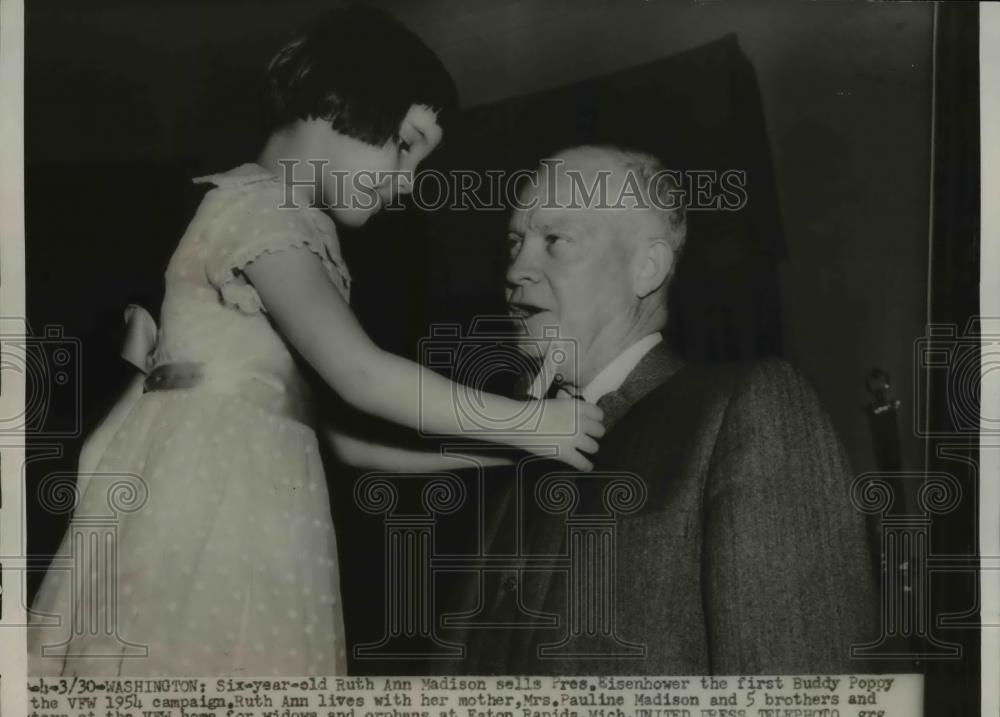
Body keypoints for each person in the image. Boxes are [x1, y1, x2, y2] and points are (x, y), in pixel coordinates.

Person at [27, 7, 603, 679]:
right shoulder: (263, 207)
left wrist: (506, 449)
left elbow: (343, 441)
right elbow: (360, 373)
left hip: (259, 505)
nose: (410, 180)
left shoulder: (290, 225)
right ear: (336, 104)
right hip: (210, 504)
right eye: (406, 144)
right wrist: (534, 422)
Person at [452, 144, 879, 675]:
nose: (516, 268)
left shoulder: (748, 410)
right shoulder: (515, 448)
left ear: (646, 268)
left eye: (554, 240)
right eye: (514, 242)